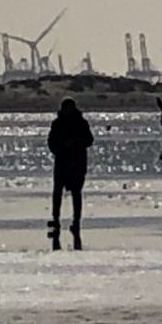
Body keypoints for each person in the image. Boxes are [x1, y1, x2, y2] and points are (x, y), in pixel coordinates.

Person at [47, 99, 94, 248]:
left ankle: (76, 221)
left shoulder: (81, 123)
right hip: (62, 162)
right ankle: (56, 219)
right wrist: (63, 146)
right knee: (57, 192)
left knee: (76, 193)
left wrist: (76, 142)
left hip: (77, 162)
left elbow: (89, 140)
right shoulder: (57, 124)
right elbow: (51, 143)